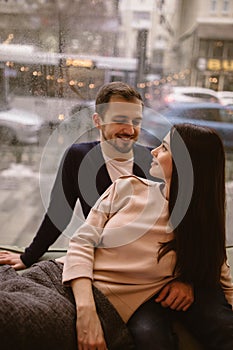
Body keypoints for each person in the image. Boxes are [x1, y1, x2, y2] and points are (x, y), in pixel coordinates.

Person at [62, 123, 233, 350]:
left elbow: (221, 276)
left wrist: (188, 280)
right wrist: (86, 310)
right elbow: (81, 242)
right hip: (69, 285)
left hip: (127, 302)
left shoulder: (200, 224)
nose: (153, 151)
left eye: (163, 148)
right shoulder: (127, 188)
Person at [0, 81, 157, 270]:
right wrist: (28, 257)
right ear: (98, 121)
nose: (130, 130)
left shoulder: (154, 159)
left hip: (148, 263)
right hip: (102, 261)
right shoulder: (78, 157)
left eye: (136, 122)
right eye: (120, 120)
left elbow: (179, 223)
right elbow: (60, 212)